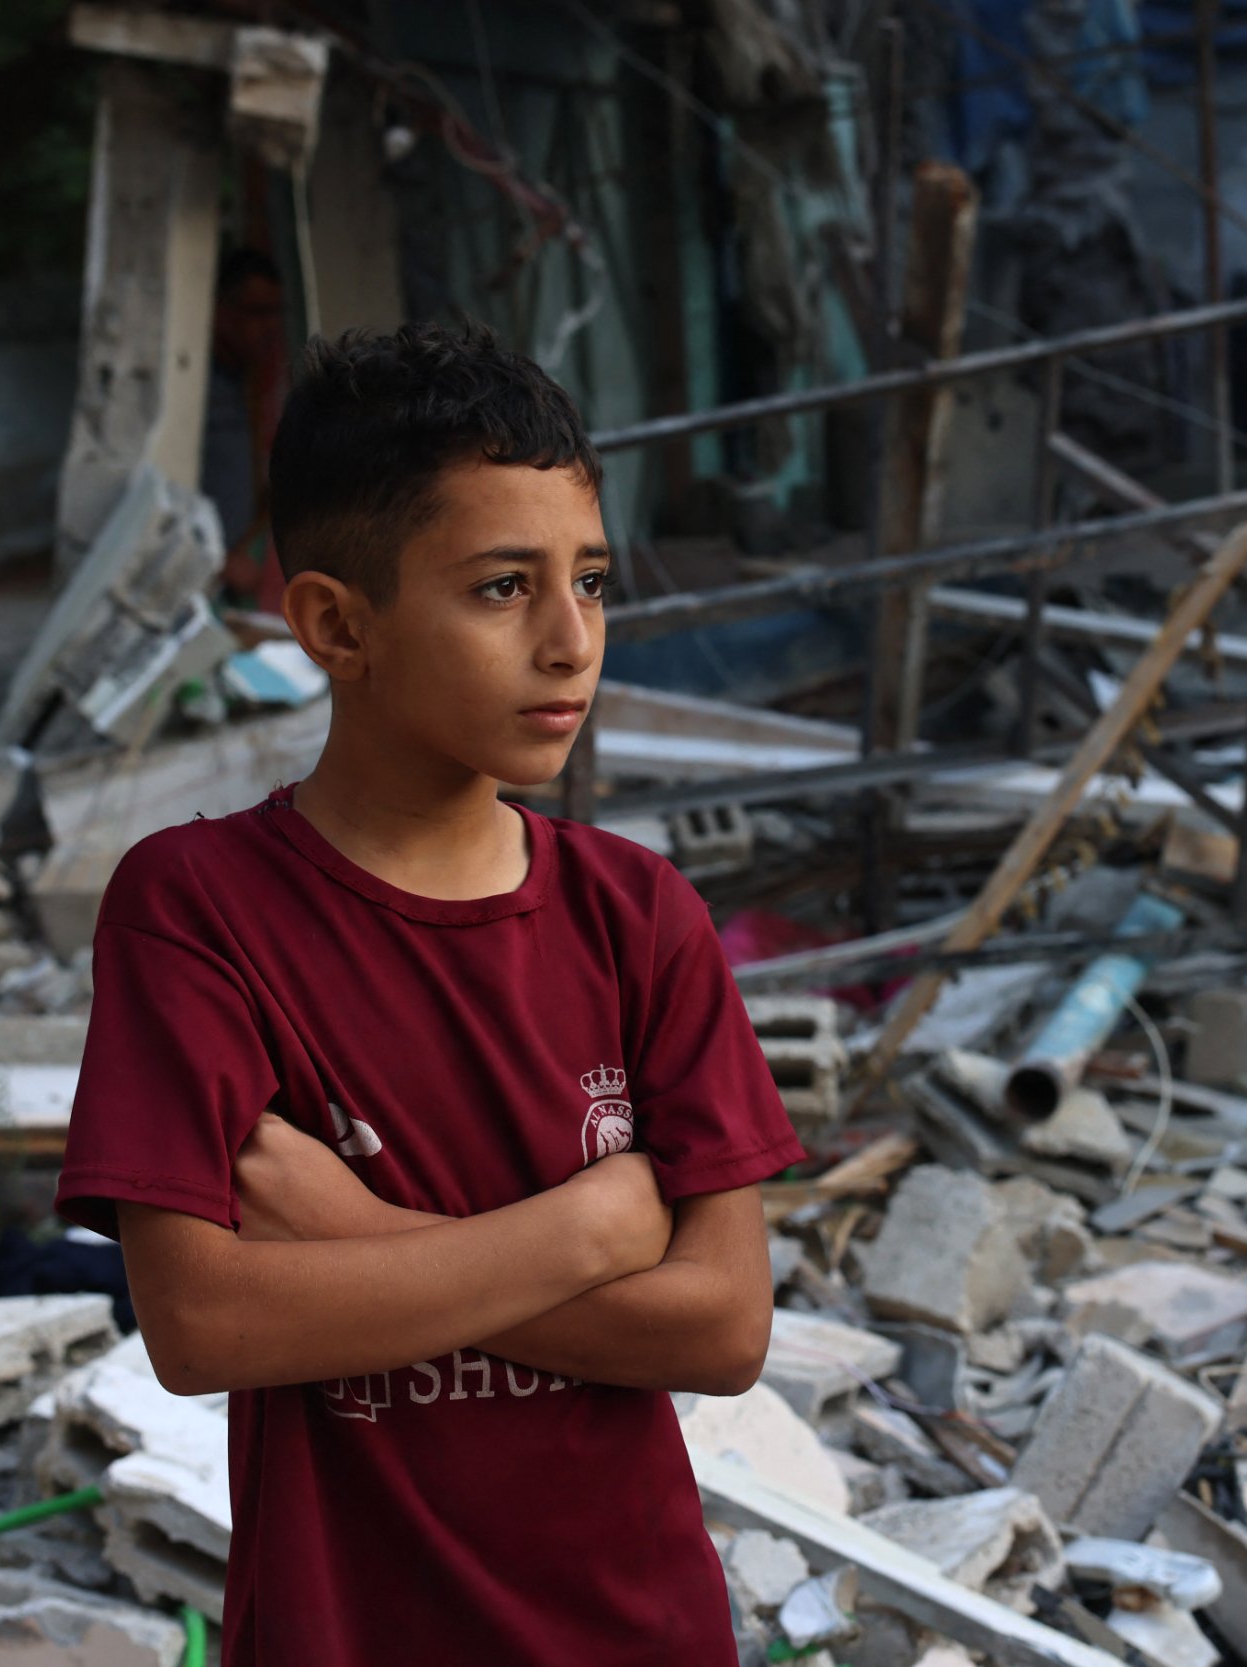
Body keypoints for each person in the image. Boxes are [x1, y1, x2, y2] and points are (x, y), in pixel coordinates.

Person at [57, 321, 806, 1666]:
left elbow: (723, 1323)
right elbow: (202, 1320)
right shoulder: (200, 909)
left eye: (587, 578)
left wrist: (353, 1229)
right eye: (501, 588)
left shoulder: (637, 916)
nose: (570, 641)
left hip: (637, 1631)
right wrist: (582, 1232)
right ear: (338, 625)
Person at [198, 248, 288, 611]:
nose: (268, 327)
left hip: (247, 569)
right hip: (205, 576)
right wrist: (216, 559)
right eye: (255, 312)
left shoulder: (262, 383)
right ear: (220, 310)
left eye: (275, 313)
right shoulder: (195, 391)